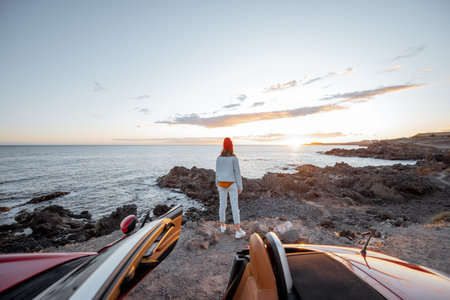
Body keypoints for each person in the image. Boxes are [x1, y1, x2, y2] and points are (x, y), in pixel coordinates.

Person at [215, 137, 246, 239]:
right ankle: (238, 231)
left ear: (223, 147)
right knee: (234, 207)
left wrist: (217, 184)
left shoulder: (219, 158)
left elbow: (217, 172)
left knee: (222, 205)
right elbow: (237, 173)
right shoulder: (234, 158)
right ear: (231, 147)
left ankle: (222, 226)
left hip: (222, 183)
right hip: (232, 184)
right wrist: (240, 186)